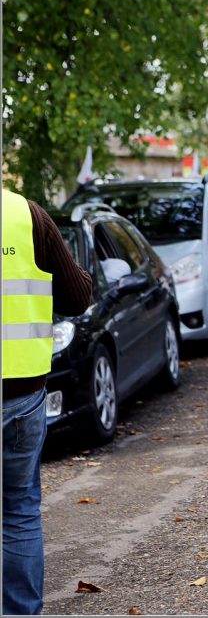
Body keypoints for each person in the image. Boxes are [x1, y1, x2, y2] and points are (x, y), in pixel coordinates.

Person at [2, 188, 92, 615]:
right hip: (19, 396)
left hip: (21, 395)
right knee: (18, 511)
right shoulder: (25, 214)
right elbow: (76, 297)